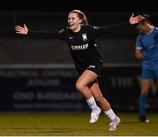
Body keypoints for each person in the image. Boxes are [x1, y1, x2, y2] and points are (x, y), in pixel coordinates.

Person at [15, 10, 143, 131]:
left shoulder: (89, 30)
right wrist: (29, 32)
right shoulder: (66, 33)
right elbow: (49, 35)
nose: (70, 20)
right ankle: (114, 119)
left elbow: (108, 29)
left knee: (79, 85)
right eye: (68, 18)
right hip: (82, 68)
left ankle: (95, 110)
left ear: (80, 20)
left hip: (95, 64)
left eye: (73, 18)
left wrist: (128, 23)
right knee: (98, 97)